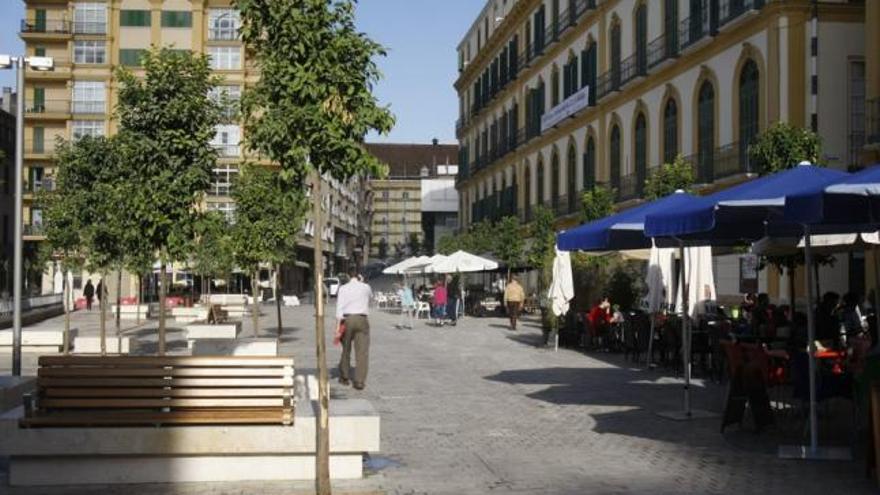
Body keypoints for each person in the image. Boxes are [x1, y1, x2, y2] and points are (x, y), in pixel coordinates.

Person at [336, 269, 373, 390]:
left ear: (347, 277)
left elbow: (339, 308)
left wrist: (338, 327)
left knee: (346, 349)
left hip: (347, 319)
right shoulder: (366, 287)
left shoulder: (343, 288)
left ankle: (345, 376)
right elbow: (370, 297)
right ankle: (359, 381)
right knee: (362, 352)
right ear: (359, 276)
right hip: (362, 319)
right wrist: (363, 282)